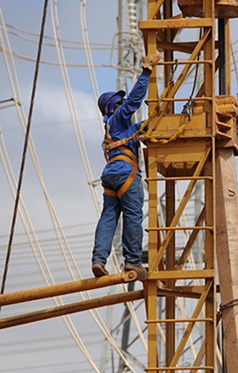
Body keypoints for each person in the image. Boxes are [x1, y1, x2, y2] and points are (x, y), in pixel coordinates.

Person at [91, 53, 161, 277]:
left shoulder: (118, 129)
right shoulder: (118, 117)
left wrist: (160, 115)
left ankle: (98, 260)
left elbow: (144, 126)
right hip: (125, 174)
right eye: (119, 103)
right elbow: (133, 101)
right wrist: (146, 71)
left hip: (111, 175)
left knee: (109, 217)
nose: (124, 106)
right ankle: (132, 261)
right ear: (115, 106)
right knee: (132, 216)